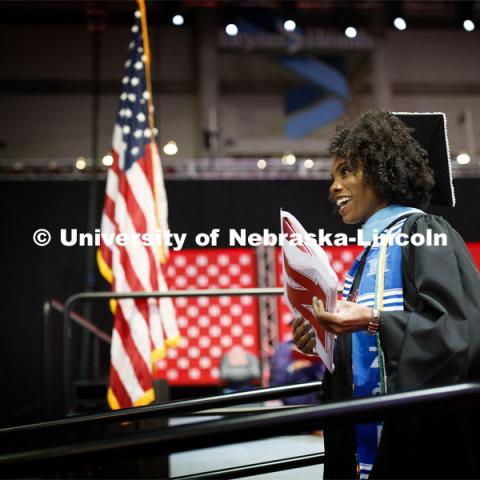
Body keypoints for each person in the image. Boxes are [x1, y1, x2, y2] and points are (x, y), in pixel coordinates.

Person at [292, 111, 480, 479]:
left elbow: (462, 334)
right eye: (333, 177)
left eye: (346, 171)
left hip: (424, 442)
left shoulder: (424, 233)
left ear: (380, 172)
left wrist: (371, 319)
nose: (333, 186)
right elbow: (370, 354)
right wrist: (324, 338)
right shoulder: (369, 255)